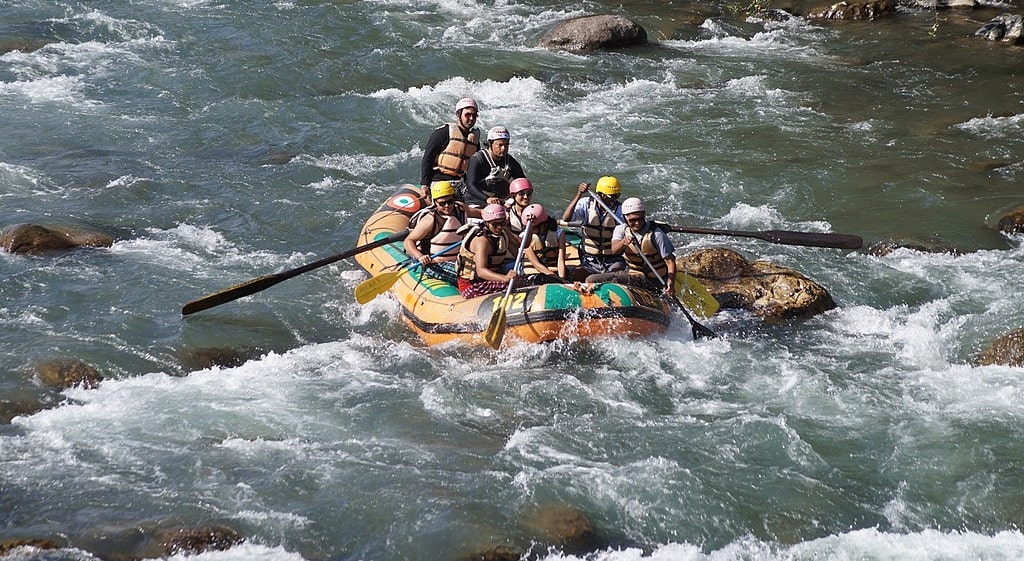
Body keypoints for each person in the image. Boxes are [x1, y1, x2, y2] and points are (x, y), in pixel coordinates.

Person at [585, 197, 676, 296]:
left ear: (644, 216)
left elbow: (670, 261)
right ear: (625, 218)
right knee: (591, 279)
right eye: (632, 220)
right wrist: (623, 242)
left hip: (655, 280)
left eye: (640, 219)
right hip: (634, 275)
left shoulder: (657, 234)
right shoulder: (621, 230)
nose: (637, 223)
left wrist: (670, 282)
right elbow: (614, 250)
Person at [404, 181, 482, 285]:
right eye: (442, 203)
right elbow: (408, 241)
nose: (447, 206)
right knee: (473, 276)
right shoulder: (430, 220)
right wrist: (419, 256)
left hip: (458, 260)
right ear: (435, 202)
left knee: (485, 270)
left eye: (450, 201)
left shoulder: (460, 209)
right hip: (435, 263)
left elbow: (480, 213)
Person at [561, 176, 626, 280]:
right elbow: (566, 218)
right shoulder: (586, 204)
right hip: (589, 260)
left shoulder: (620, 211)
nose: (614, 199)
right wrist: (579, 194)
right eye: (611, 197)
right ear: (600, 194)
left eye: (616, 196)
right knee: (574, 275)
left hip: (613, 260)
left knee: (614, 277)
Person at [456, 203, 522, 298]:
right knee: (508, 287)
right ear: (486, 223)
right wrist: (505, 278)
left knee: (524, 281)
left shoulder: (502, 234)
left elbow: (519, 247)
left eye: (502, 223)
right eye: (495, 224)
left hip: (491, 280)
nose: (499, 227)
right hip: (471, 284)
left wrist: (507, 230)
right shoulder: (482, 241)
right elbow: (481, 271)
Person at [420, 98, 481, 196]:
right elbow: (428, 159)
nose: (471, 118)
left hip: (460, 184)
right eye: (468, 114)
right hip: (439, 183)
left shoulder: (474, 141)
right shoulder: (443, 133)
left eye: (474, 115)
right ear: (458, 115)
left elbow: (474, 167)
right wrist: (425, 185)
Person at [462, 125, 526, 207]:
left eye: (507, 145)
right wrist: (487, 199)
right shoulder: (477, 159)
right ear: (490, 144)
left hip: (501, 203)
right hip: (477, 202)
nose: (504, 148)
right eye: (500, 145)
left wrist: (512, 200)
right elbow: (470, 185)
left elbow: (522, 182)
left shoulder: (510, 161)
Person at [520, 204, 567, 282]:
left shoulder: (559, 233)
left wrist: (562, 279)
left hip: (555, 271)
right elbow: (536, 265)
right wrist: (558, 279)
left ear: (543, 225)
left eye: (534, 227)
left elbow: (561, 259)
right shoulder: (525, 237)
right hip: (536, 273)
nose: (531, 230)